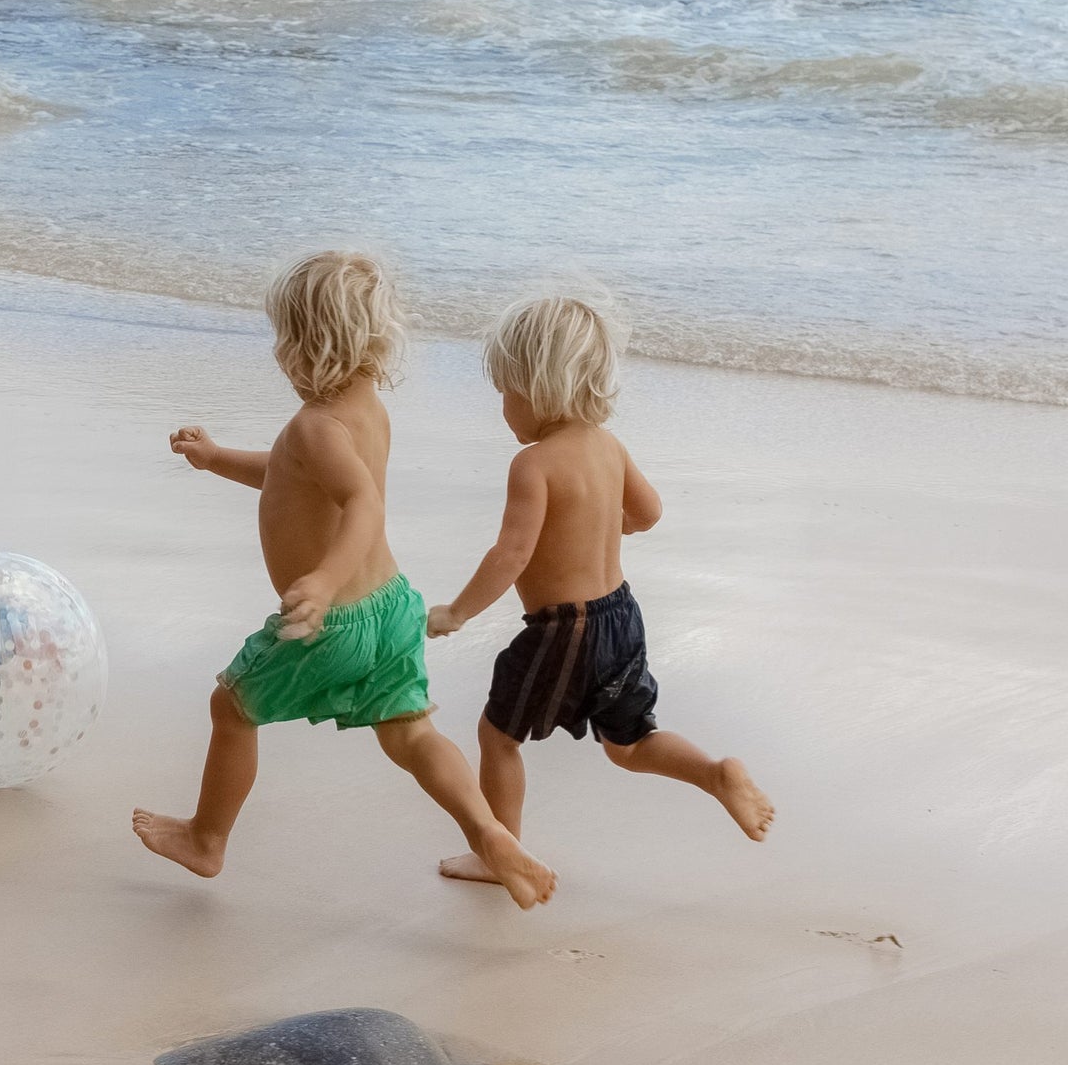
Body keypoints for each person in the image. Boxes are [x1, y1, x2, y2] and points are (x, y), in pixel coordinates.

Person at [133, 251, 558, 909]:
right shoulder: (363, 410)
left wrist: (325, 582)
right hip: (389, 606)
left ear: (306, 348)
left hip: (330, 623)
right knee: (412, 735)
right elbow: (292, 480)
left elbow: (362, 503)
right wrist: (215, 458)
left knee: (231, 707)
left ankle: (207, 838)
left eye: (283, 338)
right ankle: (489, 834)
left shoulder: (313, 426)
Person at [425, 296, 773, 884]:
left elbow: (511, 554)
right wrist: (596, 530)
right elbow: (648, 513)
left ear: (538, 387)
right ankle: (717, 773)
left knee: (498, 736)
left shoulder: (533, 465)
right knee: (631, 743)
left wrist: (458, 610)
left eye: (506, 392)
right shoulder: (609, 446)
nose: (504, 408)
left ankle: (498, 852)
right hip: (622, 617)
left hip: (566, 629)